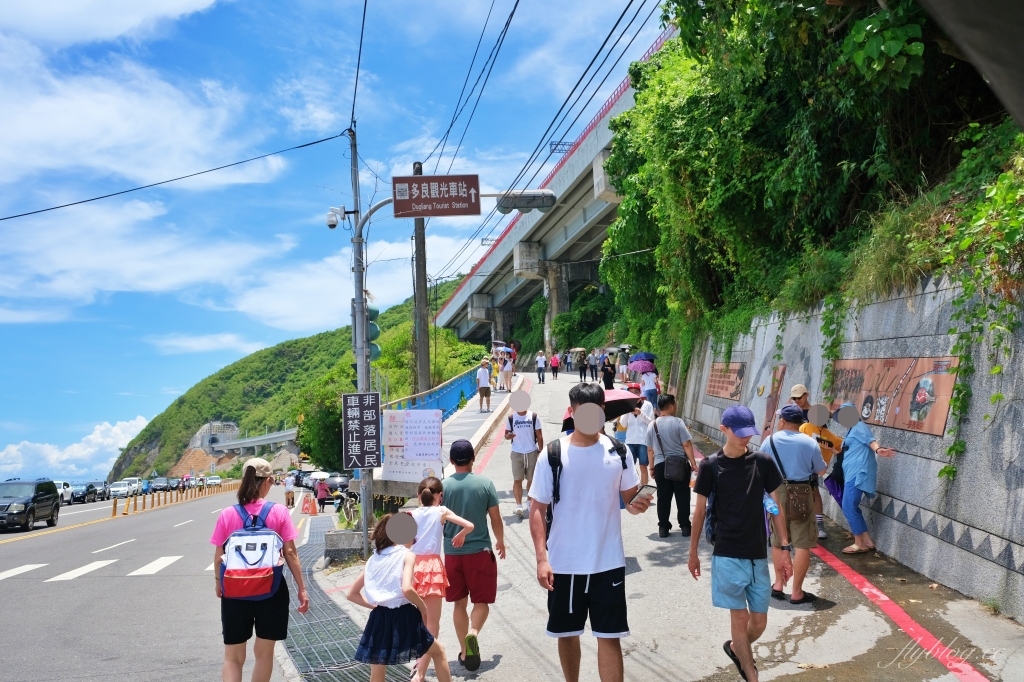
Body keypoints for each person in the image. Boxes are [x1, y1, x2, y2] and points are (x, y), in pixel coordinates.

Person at [529, 383, 652, 682]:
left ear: (603, 412)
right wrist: (542, 559)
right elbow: (537, 509)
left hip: (607, 562)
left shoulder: (619, 452)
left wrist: (639, 505)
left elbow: (629, 500)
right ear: (571, 412)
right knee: (567, 633)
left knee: (609, 636)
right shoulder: (553, 453)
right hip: (564, 563)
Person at [689, 406, 792, 682]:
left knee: (758, 622)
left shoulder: (763, 462)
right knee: (739, 617)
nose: (746, 438)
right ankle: (750, 673)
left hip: (758, 554)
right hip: (727, 552)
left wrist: (784, 549)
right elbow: (699, 512)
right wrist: (693, 553)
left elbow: (776, 506)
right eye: (740, 433)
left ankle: (737, 647)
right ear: (724, 429)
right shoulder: (710, 466)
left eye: (750, 433)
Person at [211, 458, 309, 682]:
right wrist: (302, 589)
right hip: (271, 590)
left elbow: (219, 557)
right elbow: (291, 554)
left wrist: (219, 583)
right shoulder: (279, 512)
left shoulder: (228, 514)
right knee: (264, 655)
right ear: (266, 482)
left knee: (233, 657)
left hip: (235, 590)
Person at [347, 514, 452, 682]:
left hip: (379, 619)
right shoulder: (407, 555)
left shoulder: (373, 558)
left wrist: (377, 607)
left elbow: (351, 594)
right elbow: (407, 589)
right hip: (404, 615)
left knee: (377, 675)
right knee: (438, 652)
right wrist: (422, 606)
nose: (414, 541)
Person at [442, 439, 506, 671]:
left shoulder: (442, 487)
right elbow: (496, 520)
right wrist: (500, 542)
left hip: (452, 554)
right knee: (481, 602)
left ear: (451, 461)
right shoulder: (485, 484)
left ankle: (462, 651)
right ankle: (473, 634)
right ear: (473, 459)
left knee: (459, 604)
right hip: (479, 553)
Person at [761, 404, 827, 604]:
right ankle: (797, 592)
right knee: (802, 543)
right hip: (802, 493)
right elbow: (821, 470)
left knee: (777, 539)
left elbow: (761, 467)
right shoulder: (809, 443)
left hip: (776, 492)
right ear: (801, 423)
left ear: (782, 421)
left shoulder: (770, 441)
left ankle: (779, 584)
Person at [411, 478, 474, 682]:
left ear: (419, 496)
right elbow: (469, 525)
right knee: (433, 626)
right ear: (439, 496)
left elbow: (399, 543)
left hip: (412, 567)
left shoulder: (410, 514)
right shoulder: (441, 511)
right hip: (432, 568)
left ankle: (419, 665)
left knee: (421, 623)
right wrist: (461, 535)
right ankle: (420, 673)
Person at [838, 403, 896, 554]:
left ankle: (859, 544)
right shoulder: (852, 429)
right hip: (852, 473)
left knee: (848, 506)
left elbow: (870, 440)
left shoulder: (858, 426)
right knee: (852, 507)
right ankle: (867, 541)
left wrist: (878, 450)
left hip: (858, 473)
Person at [791, 384, 843, 539]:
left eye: (799, 397)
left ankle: (818, 524)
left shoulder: (815, 415)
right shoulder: (793, 412)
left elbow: (826, 439)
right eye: (794, 398)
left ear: (806, 395)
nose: (797, 400)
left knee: (813, 491)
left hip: (812, 463)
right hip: (797, 460)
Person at [645, 394, 698, 537]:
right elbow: (686, 444)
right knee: (683, 496)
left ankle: (663, 528)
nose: (676, 407)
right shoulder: (678, 422)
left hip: (660, 465)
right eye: (674, 404)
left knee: (663, 496)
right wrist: (693, 464)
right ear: (669, 406)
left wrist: (651, 467)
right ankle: (685, 526)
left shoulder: (652, 424)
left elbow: (650, 449)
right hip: (679, 464)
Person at [504, 405, 544, 518]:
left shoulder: (533, 416)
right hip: (517, 453)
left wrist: (540, 451)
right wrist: (509, 436)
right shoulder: (511, 418)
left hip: (531, 452)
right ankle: (518, 505)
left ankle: (529, 501)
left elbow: (539, 435)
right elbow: (506, 435)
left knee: (531, 479)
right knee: (517, 480)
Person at [618, 383, 654, 486]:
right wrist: (628, 410)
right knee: (630, 467)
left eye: (636, 392)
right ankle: (633, 489)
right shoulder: (626, 406)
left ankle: (644, 491)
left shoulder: (647, 405)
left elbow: (651, 422)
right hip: (630, 441)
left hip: (643, 441)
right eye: (631, 392)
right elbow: (623, 424)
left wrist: (640, 414)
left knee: (643, 466)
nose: (634, 394)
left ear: (640, 393)